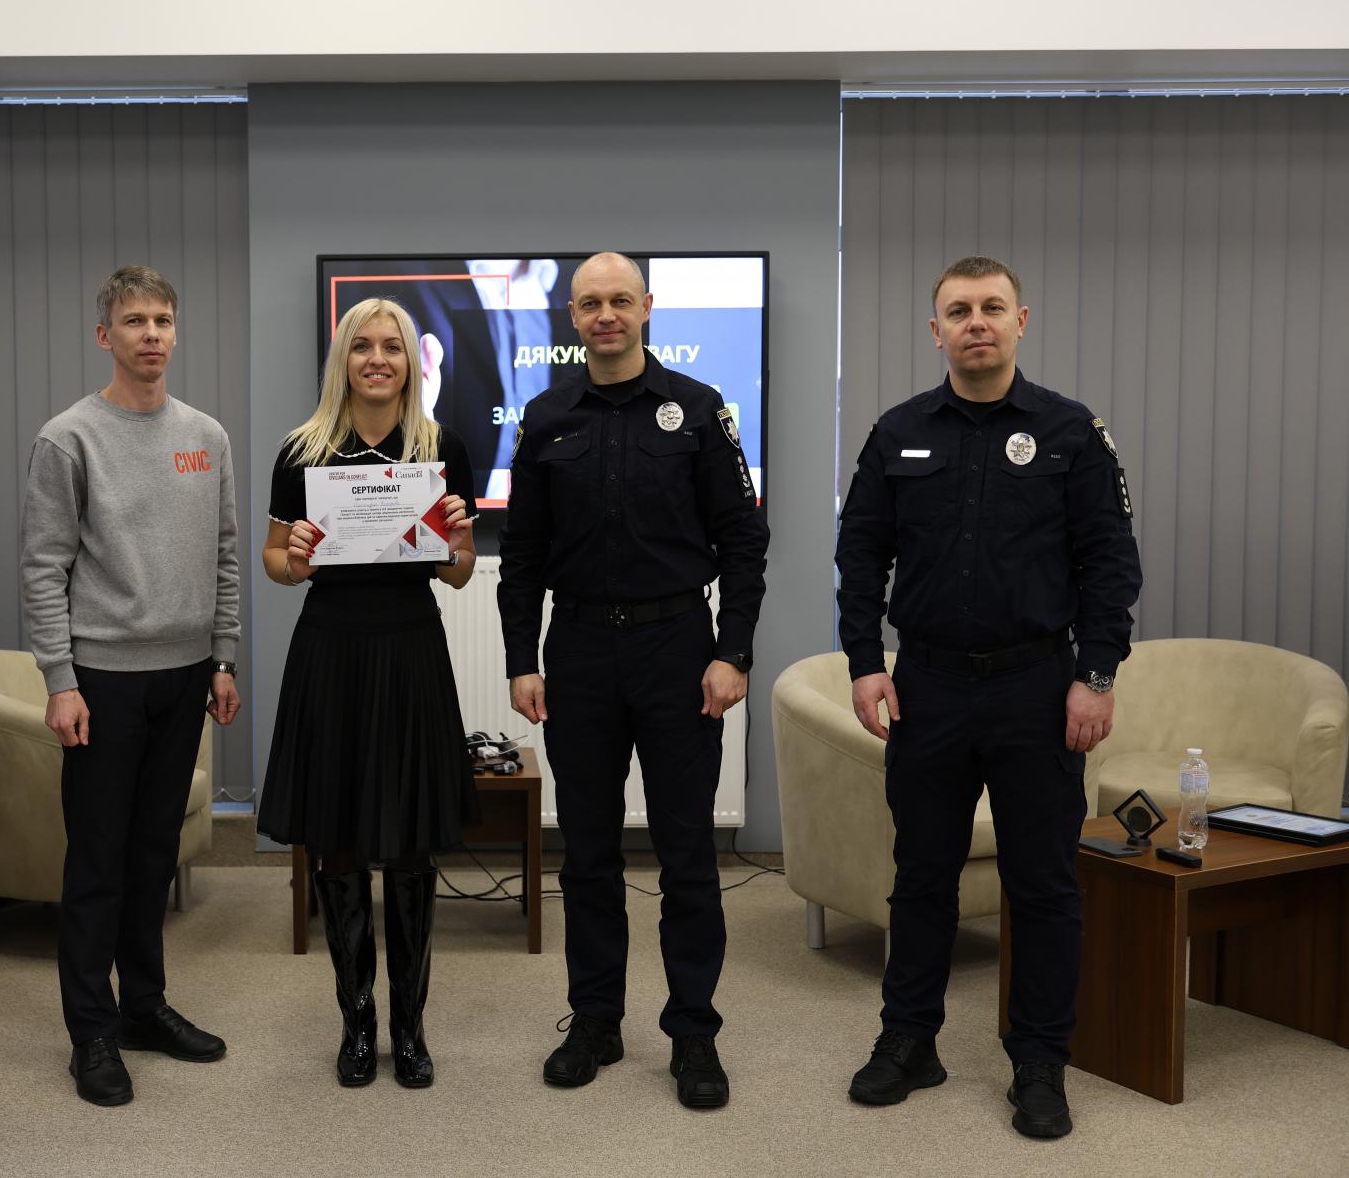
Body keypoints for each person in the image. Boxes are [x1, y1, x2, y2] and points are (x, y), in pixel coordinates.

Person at [834, 255, 1143, 1139]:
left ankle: (1039, 1061)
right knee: (921, 876)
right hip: (928, 687)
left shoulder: (1071, 432)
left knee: (1042, 885)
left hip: (1036, 689)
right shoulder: (897, 433)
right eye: (960, 310)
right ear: (936, 331)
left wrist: (1096, 676)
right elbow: (861, 556)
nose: (977, 322)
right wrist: (864, 661)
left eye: (992, 308)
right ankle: (909, 1040)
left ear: (1020, 322)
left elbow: (1110, 564)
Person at [496, 252, 769, 1110]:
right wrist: (521, 658)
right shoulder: (546, 417)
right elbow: (523, 555)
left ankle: (693, 1033)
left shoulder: (699, 408)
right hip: (578, 651)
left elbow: (744, 541)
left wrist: (734, 652)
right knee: (587, 852)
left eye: (621, 300)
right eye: (591, 303)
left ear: (647, 306)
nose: (606, 315)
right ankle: (595, 1021)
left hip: (677, 649)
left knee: (687, 852)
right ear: (572, 318)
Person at [21, 266, 242, 1107]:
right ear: (104, 335)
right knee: (98, 864)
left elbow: (226, 554)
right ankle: (92, 1031)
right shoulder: (68, 439)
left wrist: (223, 658)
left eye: (163, 320)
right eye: (134, 321)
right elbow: (43, 569)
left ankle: (144, 1007)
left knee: (153, 857)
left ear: (176, 332)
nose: (151, 334)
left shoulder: (206, 436)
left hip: (185, 679)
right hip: (102, 682)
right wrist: (60, 679)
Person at [258, 296, 478, 1089]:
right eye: (362, 346)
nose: (377, 359)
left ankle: (410, 1029)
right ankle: (357, 1025)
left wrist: (458, 540)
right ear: (342, 360)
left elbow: (457, 573)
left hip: (410, 648)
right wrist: (296, 558)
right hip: (332, 651)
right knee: (340, 839)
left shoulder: (441, 447)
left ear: (411, 362)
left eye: (391, 346)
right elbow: (275, 561)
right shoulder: (302, 450)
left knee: (411, 844)